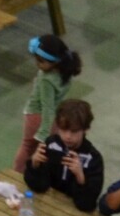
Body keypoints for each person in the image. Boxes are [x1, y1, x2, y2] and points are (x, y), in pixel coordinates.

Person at [14, 34, 84, 173]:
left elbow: (47, 107)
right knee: (42, 151)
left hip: (37, 115)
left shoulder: (46, 78)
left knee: (28, 146)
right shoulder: (66, 73)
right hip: (54, 119)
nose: (37, 64)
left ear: (55, 62)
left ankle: (17, 173)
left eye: (41, 61)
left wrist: (43, 133)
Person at [25, 97, 106, 212]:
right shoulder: (51, 144)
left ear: (86, 129)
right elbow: (38, 187)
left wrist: (80, 177)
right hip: (48, 208)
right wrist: (35, 165)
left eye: (74, 131)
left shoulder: (93, 159)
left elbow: (87, 205)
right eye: (63, 130)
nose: (68, 136)